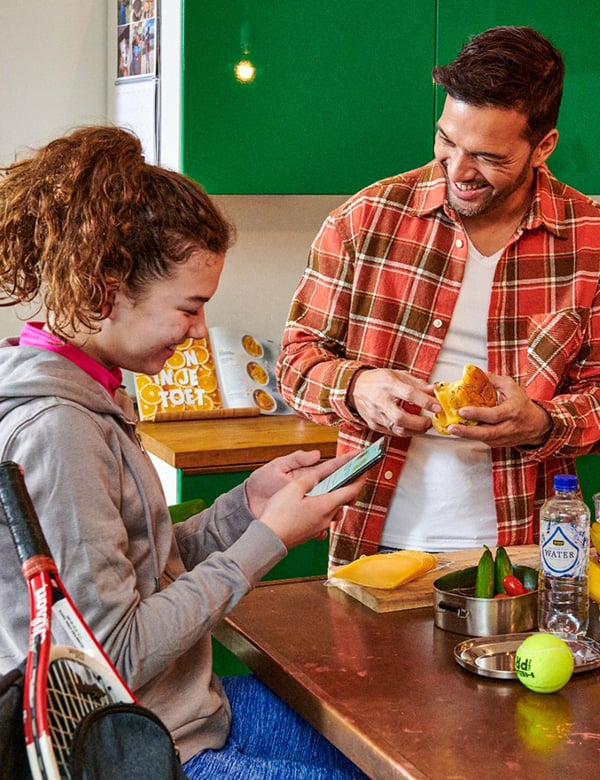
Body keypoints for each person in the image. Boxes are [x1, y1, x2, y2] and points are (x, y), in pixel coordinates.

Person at [0, 126, 368, 779]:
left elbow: (139, 573)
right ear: (106, 287)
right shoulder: (62, 433)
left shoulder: (93, 398)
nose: (199, 330)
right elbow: (115, 651)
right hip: (142, 752)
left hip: (180, 718)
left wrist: (245, 509)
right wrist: (270, 540)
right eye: (190, 307)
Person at [276, 26, 600, 567]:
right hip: (372, 544)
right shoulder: (365, 220)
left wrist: (543, 422)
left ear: (543, 146)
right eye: (447, 141)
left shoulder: (591, 241)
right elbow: (295, 361)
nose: (459, 170)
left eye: (488, 157)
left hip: (522, 553)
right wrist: (359, 387)